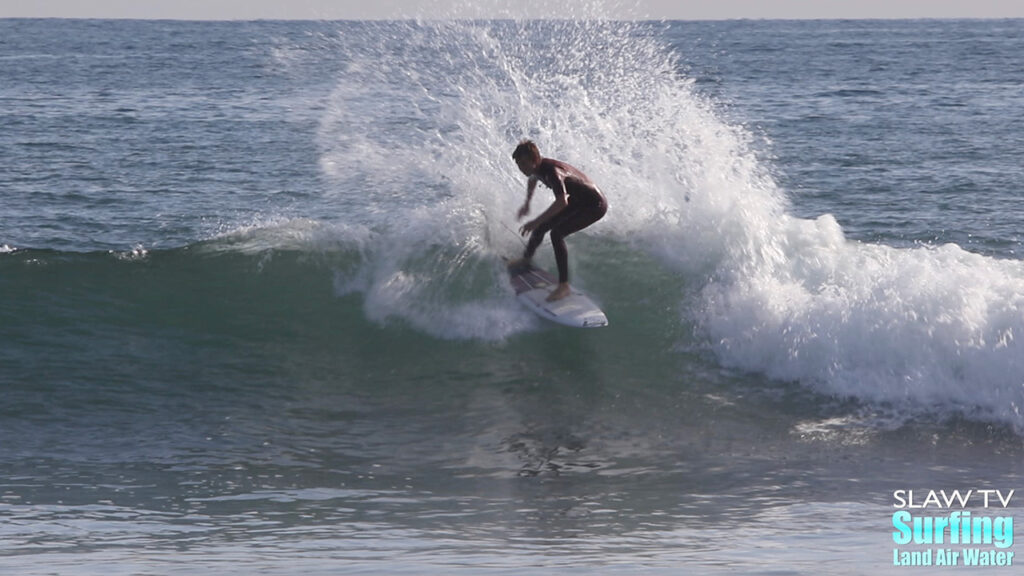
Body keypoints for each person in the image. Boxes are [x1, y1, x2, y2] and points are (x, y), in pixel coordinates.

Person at [509, 140, 608, 302]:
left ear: (535, 160)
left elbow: (562, 202)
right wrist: (527, 203)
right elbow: (533, 179)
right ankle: (526, 258)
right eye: (519, 165)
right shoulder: (536, 169)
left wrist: (535, 221)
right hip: (579, 200)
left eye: (524, 164)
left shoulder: (552, 172)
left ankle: (564, 286)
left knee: (557, 233)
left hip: (594, 205)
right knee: (542, 227)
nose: (522, 169)